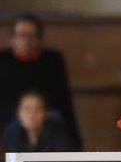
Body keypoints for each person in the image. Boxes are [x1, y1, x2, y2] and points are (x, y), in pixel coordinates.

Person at [0, 14, 81, 149]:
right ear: (13, 39)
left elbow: (62, 99)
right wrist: (24, 113)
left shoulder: (52, 61)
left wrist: (39, 112)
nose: (26, 40)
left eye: (31, 36)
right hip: (11, 117)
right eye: (21, 35)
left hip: (46, 116)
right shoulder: (3, 61)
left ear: (40, 39)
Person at [3, 91, 77, 153]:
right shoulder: (11, 134)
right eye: (27, 109)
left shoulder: (58, 132)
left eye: (37, 109)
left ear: (46, 113)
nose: (32, 115)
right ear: (18, 113)